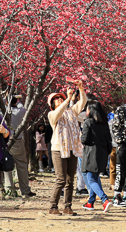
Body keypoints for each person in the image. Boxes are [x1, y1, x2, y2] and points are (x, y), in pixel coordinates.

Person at [47, 80, 88, 216]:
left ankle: (67, 206)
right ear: (52, 104)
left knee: (70, 179)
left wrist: (81, 89)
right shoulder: (52, 114)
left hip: (72, 149)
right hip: (58, 150)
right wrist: (68, 99)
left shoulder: (71, 112)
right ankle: (53, 206)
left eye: (61, 98)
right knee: (61, 179)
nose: (59, 100)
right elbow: (58, 113)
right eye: (56, 99)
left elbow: (82, 103)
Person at [0, 95, 36, 198]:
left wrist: (6, 97)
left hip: (5, 140)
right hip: (17, 140)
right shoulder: (20, 111)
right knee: (22, 165)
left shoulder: (2, 112)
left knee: (7, 164)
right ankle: (25, 190)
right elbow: (22, 107)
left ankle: (9, 189)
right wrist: (16, 98)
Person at [80, 99, 113, 212]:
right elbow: (109, 140)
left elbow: (84, 139)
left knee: (91, 180)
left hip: (90, 154)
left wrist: (81, 136)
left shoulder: (88, 122)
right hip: (102, 153)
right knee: (94, 177)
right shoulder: (104, 123)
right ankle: (90, 203)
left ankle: (105, 200)